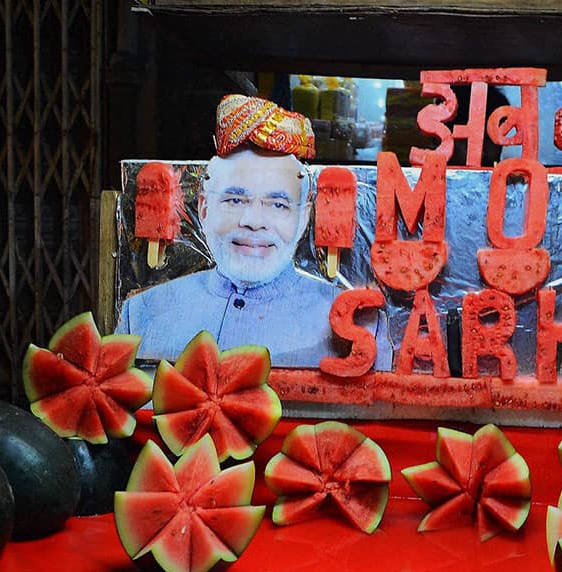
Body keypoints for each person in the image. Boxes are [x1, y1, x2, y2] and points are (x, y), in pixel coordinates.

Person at [117, 94, 394, 369]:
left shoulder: (362, 326)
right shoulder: (142, 315)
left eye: (277, 204)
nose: (253, 221)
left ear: (303, 217)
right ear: (204, 209)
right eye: (235, 200)